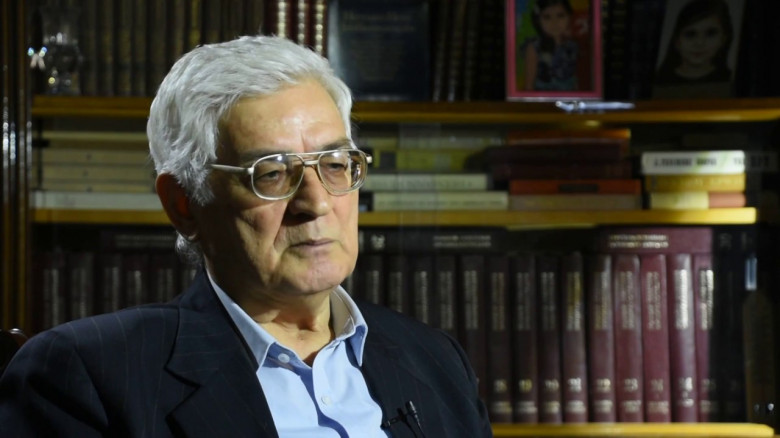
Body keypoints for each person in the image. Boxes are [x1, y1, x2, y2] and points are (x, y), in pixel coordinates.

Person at [0, 35, 492, 437]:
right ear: (183, 204)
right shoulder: (89, 375)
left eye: (335, 164)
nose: (316, 203)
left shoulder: (435, 360)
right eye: (272, 173)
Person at [655, 0, 734, 85]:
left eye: (710, 34)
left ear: (723, 39)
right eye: (690, 34)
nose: (699, 43)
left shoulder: (730, 79)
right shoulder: (658, 80)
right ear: (677, 41)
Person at [523, 0, 578, 91]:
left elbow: (574, 79)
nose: (554, 22)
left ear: (569, 17)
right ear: (538, 20)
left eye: (560, 15)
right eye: (547, 17)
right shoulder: (535, 47)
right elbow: (529, 85)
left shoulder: (572, 46)